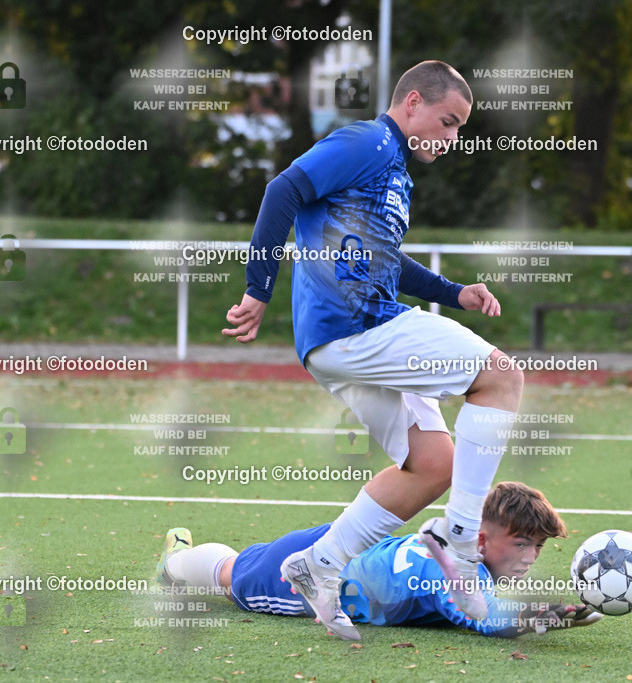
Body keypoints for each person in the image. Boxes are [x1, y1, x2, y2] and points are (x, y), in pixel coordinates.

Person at [221, 60, 524, 640]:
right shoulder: (368, 142)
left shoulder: (392, 169)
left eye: (460, 127)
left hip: (342, 343)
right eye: (448, 121)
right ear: (412, 103)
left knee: (435, 466)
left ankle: (321, 563)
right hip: (357, 328)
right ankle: (459, 541)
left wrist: (453, 291)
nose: (452, 138)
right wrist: (257, 289)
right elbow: (281, 190)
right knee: (502, 379)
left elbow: (383, 262)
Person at [154, 482, 602, 638]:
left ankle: (183, 554)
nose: (530, 556)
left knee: (245, 560)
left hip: (340, 544)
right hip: (308, 580)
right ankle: (174, 561)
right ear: (482, 539)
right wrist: (537, 617)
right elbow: (480, 615)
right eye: (522, 543)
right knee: (233, 579)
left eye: (538, 547)